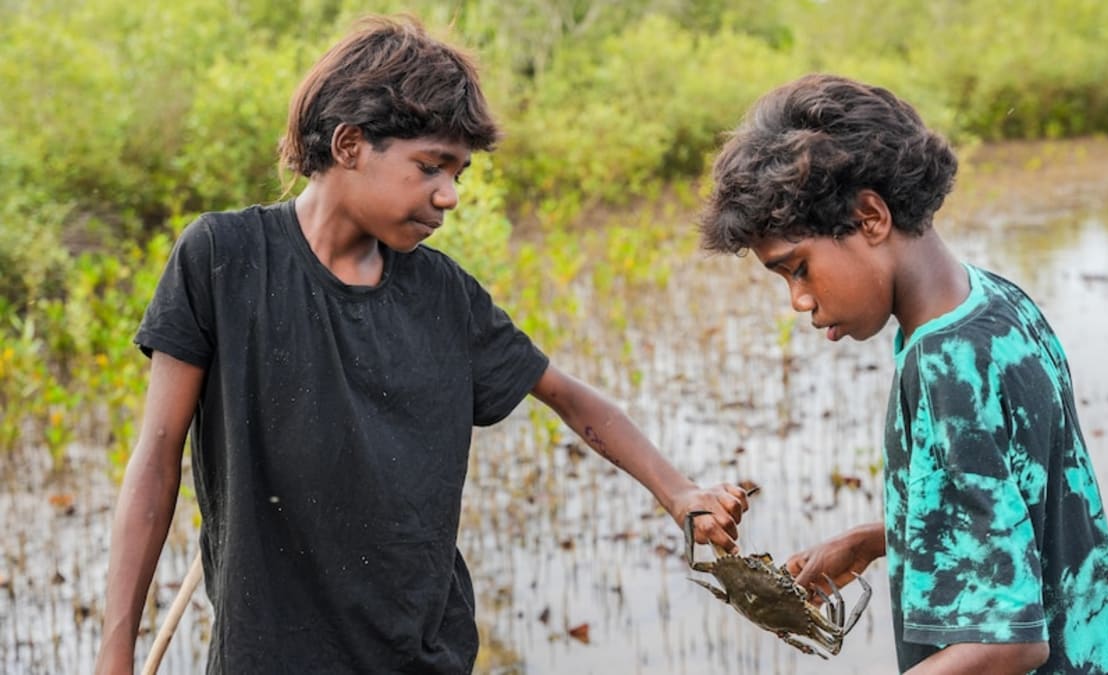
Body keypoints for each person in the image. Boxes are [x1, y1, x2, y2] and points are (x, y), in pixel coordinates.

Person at [94, 14, 751, 674]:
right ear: (350, 144)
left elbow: (572, 399)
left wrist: (678, 493)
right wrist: (115, 650)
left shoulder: (445, 296)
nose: (450, 196)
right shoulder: (222, 261)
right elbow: (156, 457)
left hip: (422, 657)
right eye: (430, 167)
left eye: (459, 173)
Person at [698, 74, 1108, 674]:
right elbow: (1020, 511)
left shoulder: (942, 369)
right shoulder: (994, 304)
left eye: (798, 268)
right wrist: (875, 539)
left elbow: (1011, 643)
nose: (798, 300)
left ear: (870, 217)